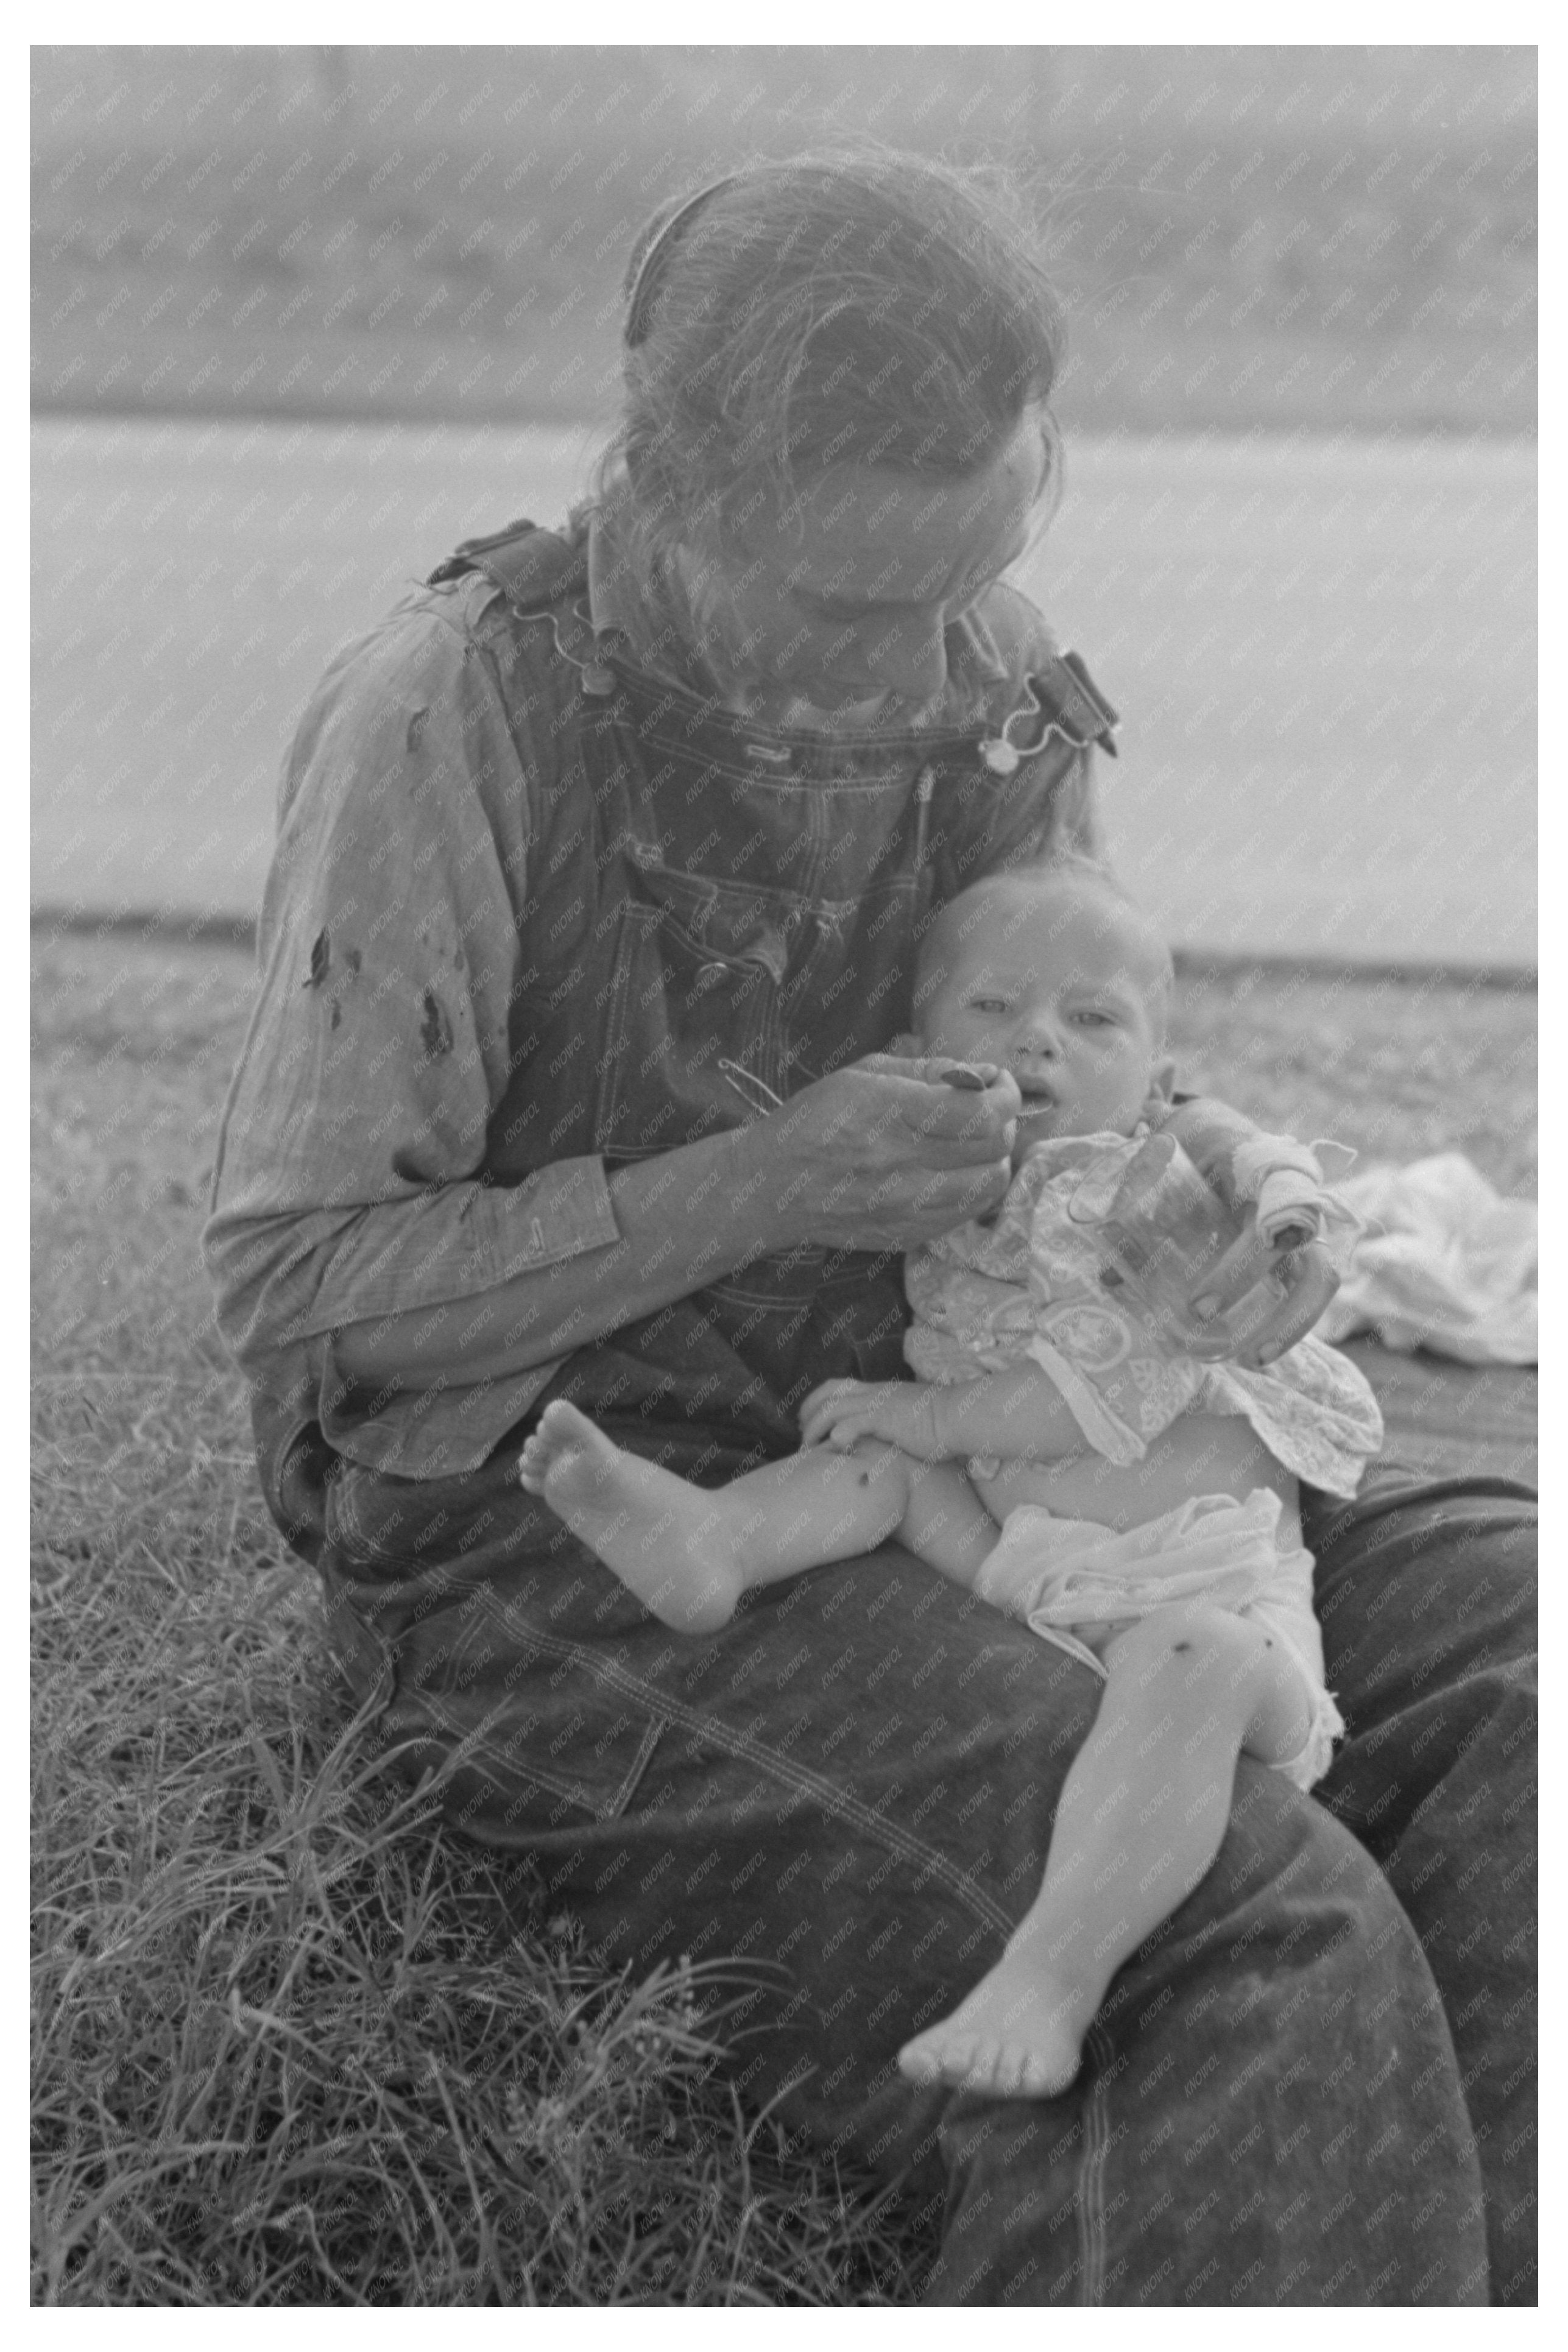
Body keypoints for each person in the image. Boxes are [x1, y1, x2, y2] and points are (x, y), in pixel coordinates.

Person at [204, 151, 1536, 2303]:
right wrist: (758, 1185)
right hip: (568, 1520)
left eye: (980, 570)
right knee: (1232, 1936)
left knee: (1524, 1657)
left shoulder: (989, 669)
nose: (930, 671)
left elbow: (1100, 1064)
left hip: (995, 1424)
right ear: (662, 485)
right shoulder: (442, 719)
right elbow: (300, 1301)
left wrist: (1203, 1208)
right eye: (847, 613)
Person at [517, 859, 1385, 2102]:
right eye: (995, 1009)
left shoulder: (1161, 1170)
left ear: (1156, 1069)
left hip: (1218, 1610)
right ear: (919, 1046)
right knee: (866, 1464)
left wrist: (1286, 1192)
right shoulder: (947, 1197)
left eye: (1093, 1020)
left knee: (1182, 1655)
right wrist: (905, 1426)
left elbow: (1106, 1366)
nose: (1040, 1038)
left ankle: (1051, 1975)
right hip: (1018, 1566)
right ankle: (715, 1539)